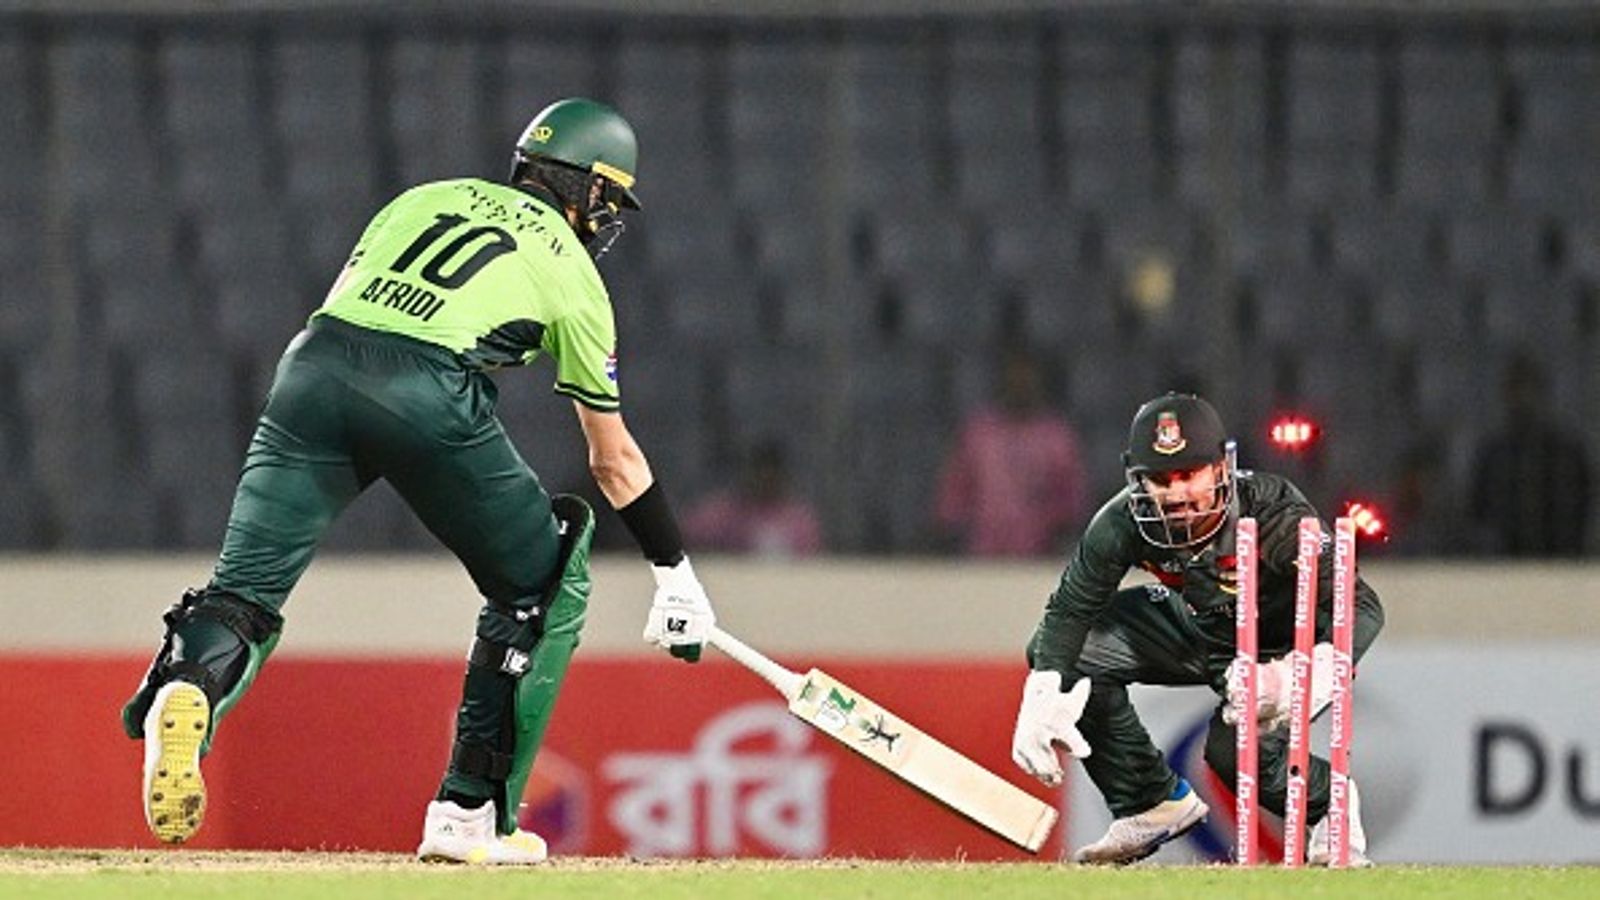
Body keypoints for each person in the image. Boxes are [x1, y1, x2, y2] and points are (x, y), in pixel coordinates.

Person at [120, 98, 719, 865]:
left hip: (313, 370)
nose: (605, 220)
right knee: (540, 581)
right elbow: (613, 460)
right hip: (426, 394)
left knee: (243, 591)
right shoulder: (575, 275)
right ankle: (468, 819)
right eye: (606, 200)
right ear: (586, 190)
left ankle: (191, 689)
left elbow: (366, 307)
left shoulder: (424, 198)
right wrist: (675, 575)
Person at [1009, 392, 1384, 865]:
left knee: (1232, 756)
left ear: (1221, 468)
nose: (1178, 494)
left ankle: (1330, 806)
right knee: (1061, 650)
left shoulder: (1274, 515)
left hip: (1276, 653)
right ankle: (1150, 801)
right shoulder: (1124, 520)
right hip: (1199, 629)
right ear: (1138, 478)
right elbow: (1069, 609)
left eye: (1190, 475)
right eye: (1161, 480)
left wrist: (1305, 672)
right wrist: (1042, 692)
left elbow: (1362, 604)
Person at [934, 349, 1088, 556]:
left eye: (1027, 380)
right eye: (1015, 379)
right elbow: (955, 494)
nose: (1021, 386)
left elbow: (1072, 498)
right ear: (1003, 381)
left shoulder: (1057, 436)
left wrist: (1060, 532)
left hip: (1039, 555)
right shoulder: (979, 432)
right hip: (982, 555)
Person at [1469, 352, 1593, 556]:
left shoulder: (1568, 452)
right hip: (1505, 567)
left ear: (1542, 392)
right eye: (1516, 389)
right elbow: (1478, 512)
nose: (1523, 398)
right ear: (1506, 394)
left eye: (1528, 388)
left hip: (1561, 565)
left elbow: (1584, 506)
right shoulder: (1492, 453)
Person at [683, 440, 824, 557]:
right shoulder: (724, 514)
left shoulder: (800, 522)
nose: (766, 480)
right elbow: (688, 534)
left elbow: (813, 563)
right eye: (761, 474)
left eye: (772, 475)